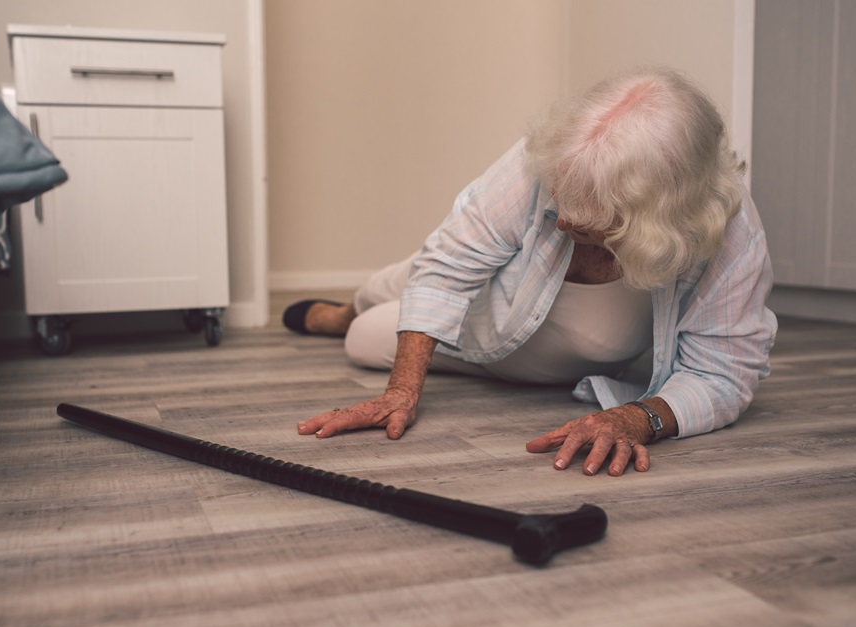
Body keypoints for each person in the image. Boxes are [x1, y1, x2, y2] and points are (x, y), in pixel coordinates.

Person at [282, 66, 777, 477]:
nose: (560, 221)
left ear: (652, 220)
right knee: (404, 276)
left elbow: (723, 375)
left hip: (532, 326)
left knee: (365, 338)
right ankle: (349, 305)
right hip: (494, 266)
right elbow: (448, 265)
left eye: (585, 218)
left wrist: (639, 418)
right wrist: (401, 392)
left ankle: (350, 320)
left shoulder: (728, 232)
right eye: (560, 198)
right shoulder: (557, 154)